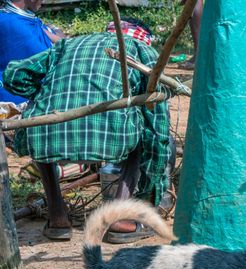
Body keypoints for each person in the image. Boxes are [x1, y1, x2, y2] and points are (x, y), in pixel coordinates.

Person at [3, 18, 171, 243]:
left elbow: (14, 74)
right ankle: (119, 218)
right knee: (144, 131)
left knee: (41, 116)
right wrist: (151, 193)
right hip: (113, 131)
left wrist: (40, 94)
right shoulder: (143, 52)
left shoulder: (68, 45)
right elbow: (157, 130)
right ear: (143, 39)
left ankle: (57, 216)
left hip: (46, 131)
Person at [0, 0, 64, 104]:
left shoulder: (25, 19)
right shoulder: (11, 23)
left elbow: (60, 40)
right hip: (16, 98)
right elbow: (52, 57)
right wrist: (56, 32)